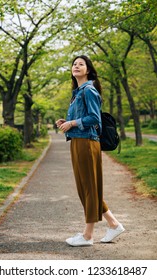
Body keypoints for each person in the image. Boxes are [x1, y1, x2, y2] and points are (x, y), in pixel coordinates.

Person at [56, 55, 125, 247]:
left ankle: (87, 235)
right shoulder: (78, 92)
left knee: (88, 188)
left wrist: (73, 123)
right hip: (78, 141)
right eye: (74, 64)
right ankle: (114, 224)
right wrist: (66, 122)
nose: (76, 66)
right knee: (87, 187)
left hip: (87, 143)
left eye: (81, 64)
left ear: (88, 70)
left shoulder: (88, 90)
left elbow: (95, 118)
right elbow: (83, 118)